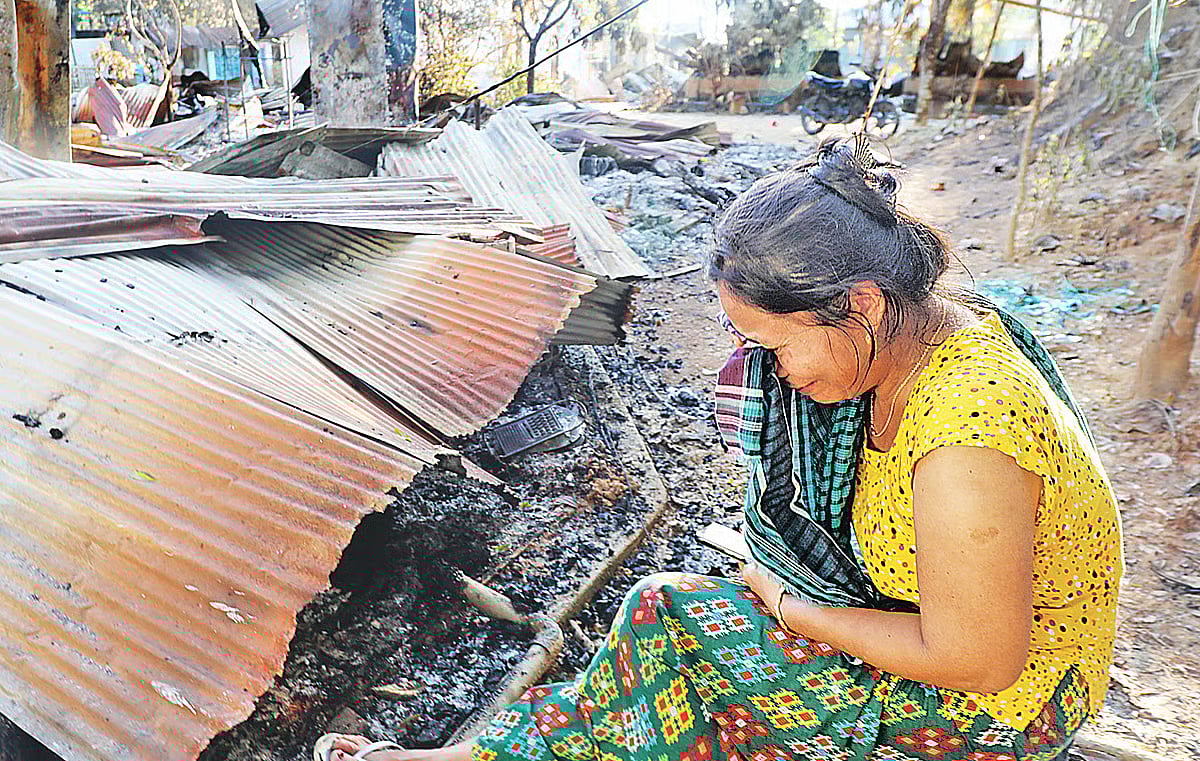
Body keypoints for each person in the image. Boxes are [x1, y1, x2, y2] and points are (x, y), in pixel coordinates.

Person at [315, 138, 1123, 761]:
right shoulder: (912, 335)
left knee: (678, 637)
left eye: (771, 344)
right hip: (936, 638)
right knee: (662, 615)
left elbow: (977, 660)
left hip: (1001, 704)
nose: (767, 373)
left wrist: (792, 604)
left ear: (863, 304)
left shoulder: (968, 441)